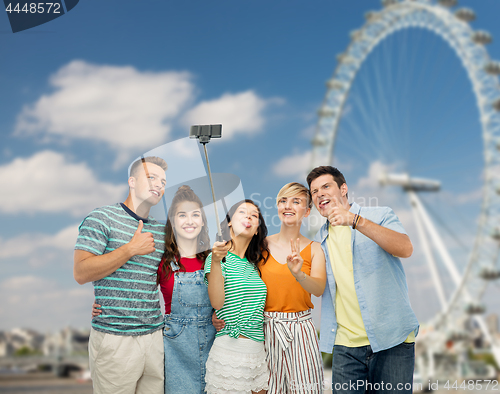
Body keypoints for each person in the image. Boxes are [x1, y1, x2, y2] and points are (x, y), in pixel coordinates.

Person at [306, 166, 419, 394]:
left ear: (344, 189)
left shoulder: (379, 215)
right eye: (314, 191)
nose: (319, 194)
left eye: (326, 186)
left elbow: (405, 249)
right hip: (346, 346)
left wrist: (356, 221)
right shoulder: (319, 240)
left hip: (392, 340)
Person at [93, 185, 216, 393]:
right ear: (173, 222)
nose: (189, 221)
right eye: (182, 215)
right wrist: (105, 302)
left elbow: (230, 295)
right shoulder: (163, 260)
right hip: (175, 349)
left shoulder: (214, 259)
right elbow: (132, 282)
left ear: (202, 221)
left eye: (195, 215)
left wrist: (220, 315)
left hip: (214, 343)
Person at [74, 156, 168, 394]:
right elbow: (81, 272)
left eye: (163, 181)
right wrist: (130, 249)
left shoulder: (161, 230)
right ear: (132, 181)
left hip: (154, 337)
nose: (159, 184)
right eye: (151, 178)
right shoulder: (101, 218)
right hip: (115, 338)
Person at [260, 182, 326, 393]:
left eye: (296, 201)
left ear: (307, 212)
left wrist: (299, 274)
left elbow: (318, 289)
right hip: (265, 329)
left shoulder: (315, 249)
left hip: (301, 329)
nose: (288, 206)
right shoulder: (259, 246)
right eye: (283, 201)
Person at [204, 200, 270, 394]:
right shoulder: (216, 258)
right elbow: (217, 302)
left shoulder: (254, 266)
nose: (248, 216)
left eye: (254, 215)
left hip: (257, 352)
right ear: (229, 223)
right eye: (242, 212)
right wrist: (216, 262)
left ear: (257, 229)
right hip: (229, 352)